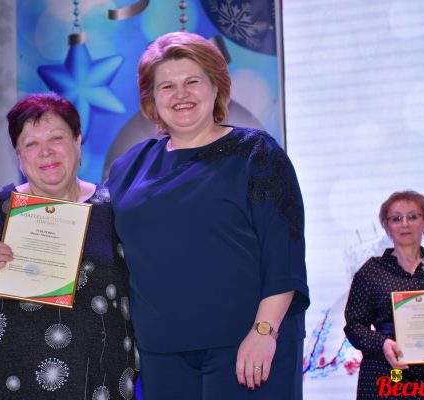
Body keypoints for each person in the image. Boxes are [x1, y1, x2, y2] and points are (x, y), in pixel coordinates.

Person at [105, 31, 309, 399]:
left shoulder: (256, 154)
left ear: (216, 87)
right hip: (161, 355)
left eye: (192, 81)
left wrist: (264, 332)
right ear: (152, 100)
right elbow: (96, 242)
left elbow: (284, 255)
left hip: (248, 347)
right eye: (167, 86)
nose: (180, 94)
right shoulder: (129, 167)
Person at [0, 93, 137, 399]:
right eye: (31, 144)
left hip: (99, 381)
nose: (46, 152)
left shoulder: (114, 209)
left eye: (57, 138)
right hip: (9, 380)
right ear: (19, 155)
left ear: (78, 141)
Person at [344, 190, 424, 399]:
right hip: (386, 374)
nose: (405, 224)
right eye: (396, 218)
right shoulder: (371, 271)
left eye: (413, 216)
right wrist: (383, 344)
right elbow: (354, 325)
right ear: (387, 227)